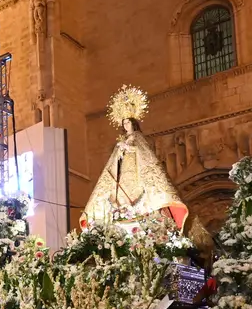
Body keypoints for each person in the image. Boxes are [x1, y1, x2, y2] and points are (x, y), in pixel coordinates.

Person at [80, 85, 188, 231]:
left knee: (137, 197)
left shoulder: (138, 137)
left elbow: (143, 153)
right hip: (124, 174)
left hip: (136, 174)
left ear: (133, 123)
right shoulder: (122, 140)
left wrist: (129, 148)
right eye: (123, 123)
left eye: (128, 122)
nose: (125, 125)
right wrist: (119, 152)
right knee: (121, 197)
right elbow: (115, 161)